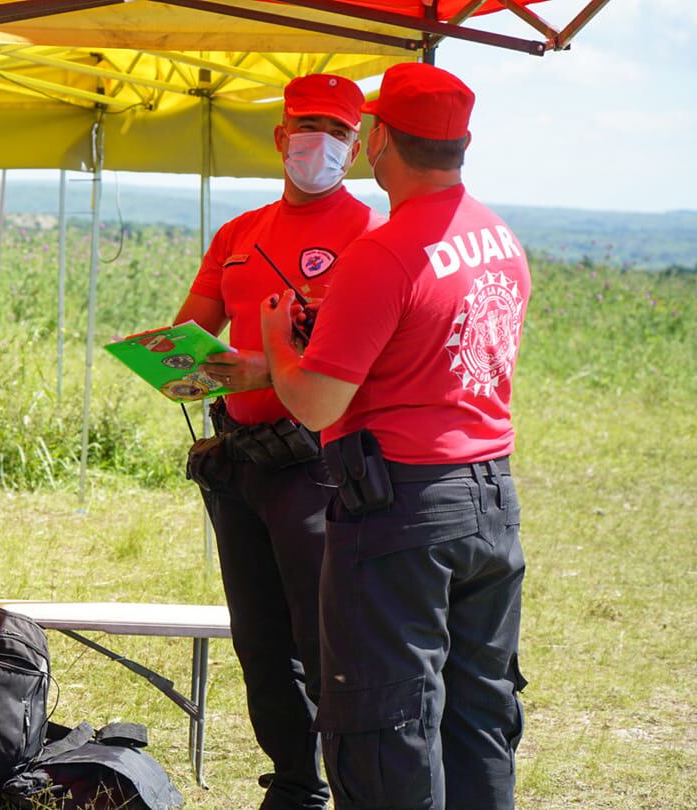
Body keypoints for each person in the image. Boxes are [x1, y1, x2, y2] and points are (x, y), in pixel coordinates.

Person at [260, 63, 529, 810]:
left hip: (400, 510)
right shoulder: (498, 237)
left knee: (386, 725)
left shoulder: (384, 252)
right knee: (478, 716)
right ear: (462, 145)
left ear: (379, 140)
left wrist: (280, 342)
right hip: (490, 498)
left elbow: (314, 403)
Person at [176, 73, 382, 810]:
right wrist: (179, 364)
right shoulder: (238, 234)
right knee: (259, 643)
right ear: (279, 137)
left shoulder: (369, 237)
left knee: (327, 641)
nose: (316, 144)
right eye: (305, 127)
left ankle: (356, 786)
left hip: (315, 463)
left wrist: (275, 363)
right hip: (238, 460)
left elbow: (363, 359)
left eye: (335, 131)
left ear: (357, 149)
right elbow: (191, 330)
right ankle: (294, 787)